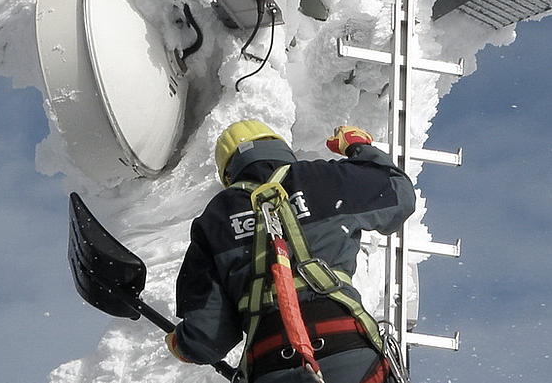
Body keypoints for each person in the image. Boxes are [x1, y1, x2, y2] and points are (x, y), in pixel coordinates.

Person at [165, 120, 416, 382]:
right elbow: (401, 195)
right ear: (282, 150)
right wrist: (359, 147)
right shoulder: (325, 179)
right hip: (349, 352)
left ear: (229, 174)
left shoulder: (214, 221)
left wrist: (182, 344)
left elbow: (208, 338)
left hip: (271, 364)